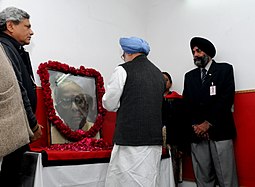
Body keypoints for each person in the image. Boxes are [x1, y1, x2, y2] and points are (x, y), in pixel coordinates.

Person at [103, 36, 165, 187]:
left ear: (128, 53)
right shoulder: (158, 74)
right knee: (148, 181)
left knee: (125, 181)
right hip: (153, 141)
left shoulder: (123, 70)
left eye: (123, 55)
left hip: (130, 141)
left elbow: (109, 103)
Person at [182, 36, 238, 187]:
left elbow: (225, 100)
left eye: (198, 51)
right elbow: (187, 104)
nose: (195, 54)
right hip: (197, 134)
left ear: (208, 53)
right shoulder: (189, 76)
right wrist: (196, 125)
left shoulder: (224, 69)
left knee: (226, 177)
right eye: (193, 51)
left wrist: (208, 123)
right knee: (203, 178)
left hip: (220, 131)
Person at [0, 7, 42, 186]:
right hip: (12, 133)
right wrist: (32, 124)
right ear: (10, 26)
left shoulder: (13, 48)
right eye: (27, 26)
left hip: (18, 129)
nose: (31, 31)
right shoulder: (5, 49)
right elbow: (18, 90)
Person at [52, 79, 99, 144]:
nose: (75, 107)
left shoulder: (96, 130)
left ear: (87, 106)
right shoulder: (52, 134)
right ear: (58, 109)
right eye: (67, 101)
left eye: (79, 101)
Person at [162, 71, 187, 186]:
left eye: (165, 80)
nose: (163, 82)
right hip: (157, 142)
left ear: (170, 83)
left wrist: (182, 146)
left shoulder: (177, 99)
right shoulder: (152, 100)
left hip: (174, 141)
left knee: (173, 169)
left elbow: (182, 122)